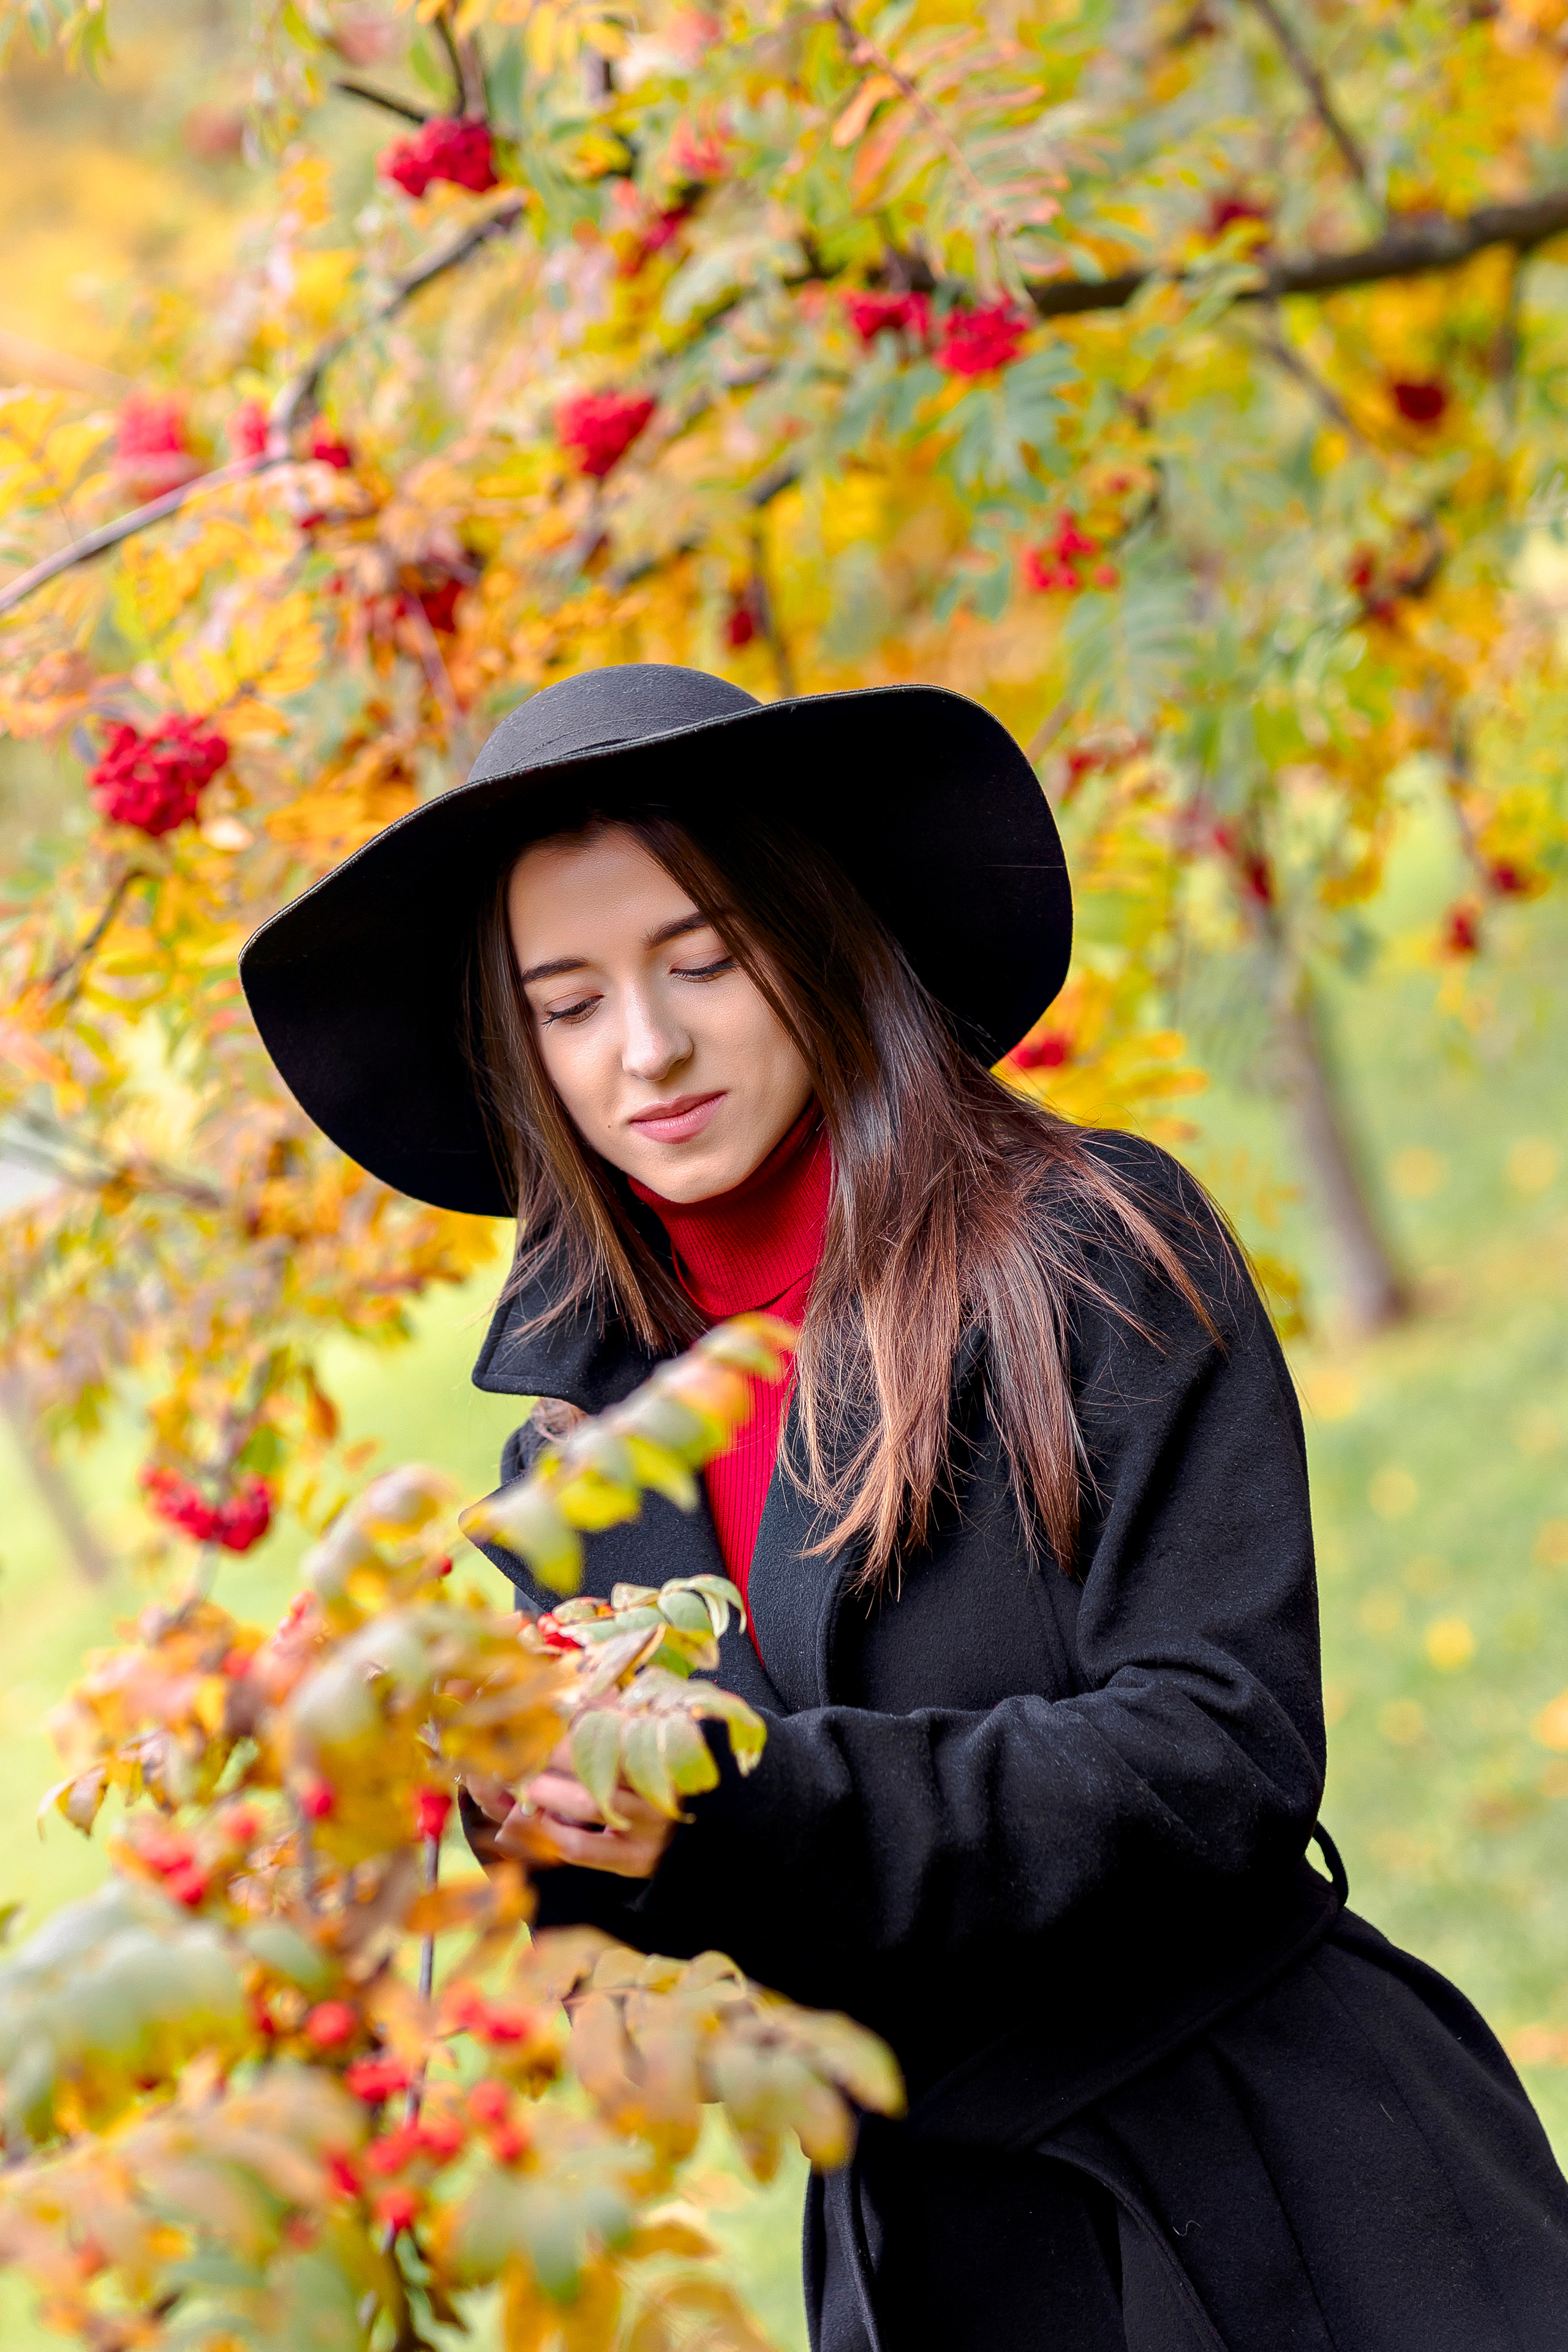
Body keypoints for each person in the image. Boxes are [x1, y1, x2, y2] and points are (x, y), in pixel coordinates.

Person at [243, 664, 1568, 2352]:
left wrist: (741, 1796)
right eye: (567, 1004)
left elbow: (1220, 1754)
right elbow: (643, 1959)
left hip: (1279, 2190)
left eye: (702, 961)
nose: (644, 1049)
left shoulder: (1088, 1253)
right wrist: (514, 1830)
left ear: (813, 932)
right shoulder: (577, 1470)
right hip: (926, 2263)